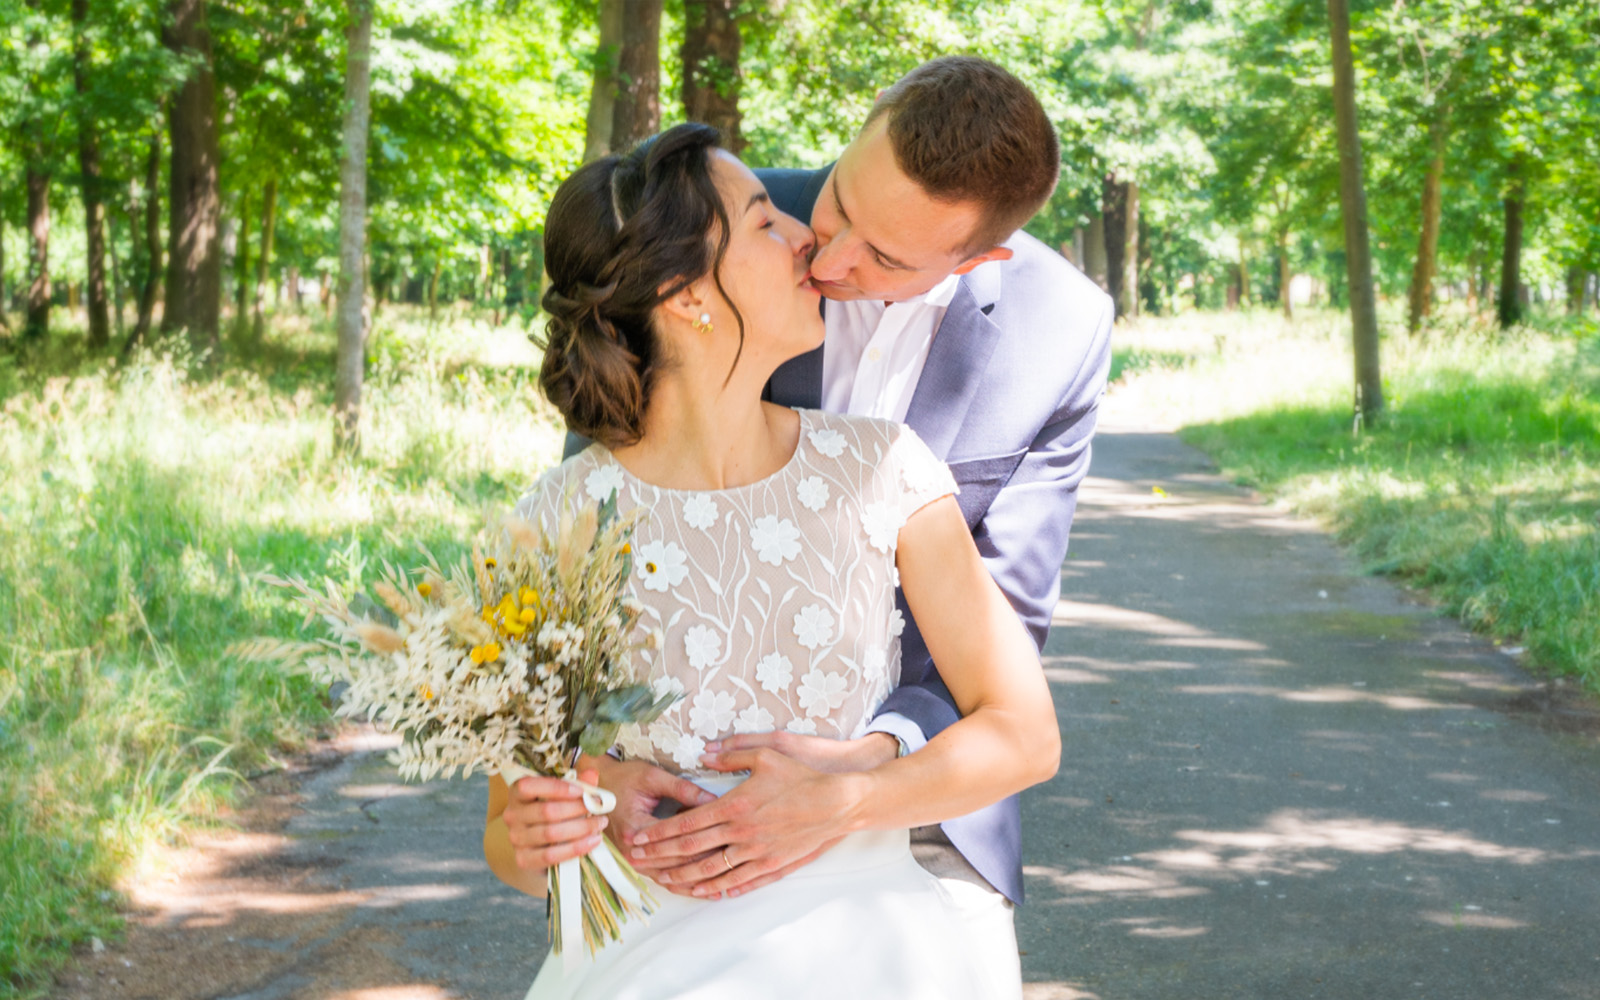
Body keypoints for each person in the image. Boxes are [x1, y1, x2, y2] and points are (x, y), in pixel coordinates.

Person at [568, 56, 1115, 976]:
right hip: (677, 805)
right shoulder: (728, 232)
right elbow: (602, 528)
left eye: (885, 256)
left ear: (979, 258)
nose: (826, 258)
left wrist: (865, 770)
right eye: (840, 204)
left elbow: (1005, 617)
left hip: (925, 800)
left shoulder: (1058, 327)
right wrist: (598, 771)